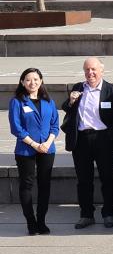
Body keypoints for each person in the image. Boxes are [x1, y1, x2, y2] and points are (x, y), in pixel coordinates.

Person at [63, 57, 113, 229]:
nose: (90, 73)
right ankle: (86, 214)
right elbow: (67, 108)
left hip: (103, 139)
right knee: (83, 180)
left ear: (101, 70)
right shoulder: (78, 87)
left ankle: (109, 214)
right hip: (81, 140)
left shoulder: (112, 91)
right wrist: (71, 101)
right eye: (87, 70)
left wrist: (111, 137)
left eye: (93, 69)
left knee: (107, 178)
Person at [10, 68, 59, 235]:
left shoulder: (48, 101)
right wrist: (34, 144)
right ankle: (31, 222)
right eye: (28, 80)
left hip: (47, 148)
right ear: (22, 82)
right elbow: (16, 128)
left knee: (45, 185)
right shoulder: (17, 102)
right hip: (26, 149)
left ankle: (41, 221)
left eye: (36, 79)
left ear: (41, 81)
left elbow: (54, 125)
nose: (33, 83)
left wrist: (47, 143)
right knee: (26, 184)